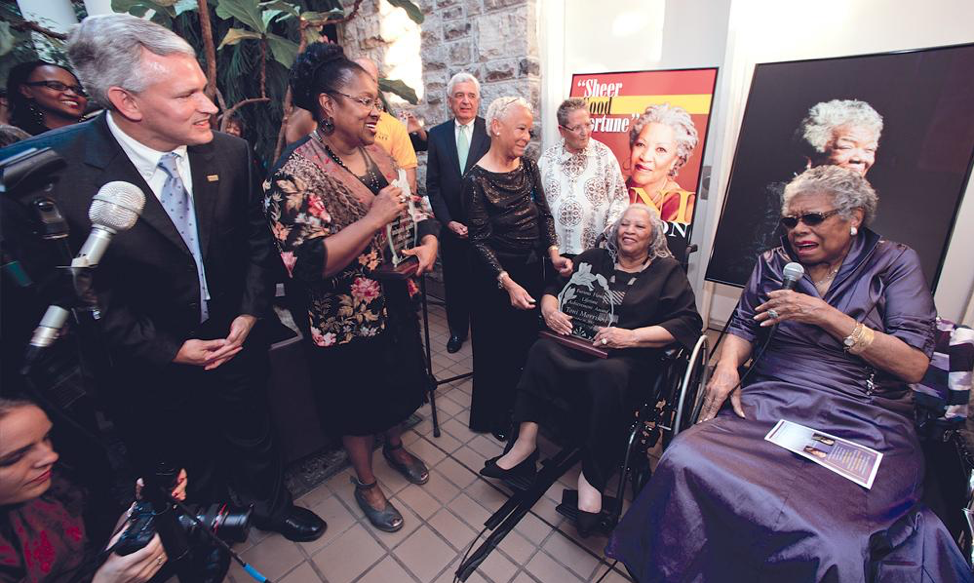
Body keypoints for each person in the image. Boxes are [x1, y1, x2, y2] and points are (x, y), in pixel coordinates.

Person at [0, 14, 324, 543]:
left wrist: (247, 311)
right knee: (182, 453)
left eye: (204, 88)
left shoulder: (231, 152)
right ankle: (210, 531)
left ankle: (270, 505)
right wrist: (169, 349)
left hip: (233, 337)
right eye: (186, 95)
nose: (211, 106)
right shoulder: (44, 174)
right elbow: (74, 292)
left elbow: (255, 242)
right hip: (145, 361)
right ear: (126, 101)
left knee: (253, 427)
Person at [606, 166, 971, 582]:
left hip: (865, 414)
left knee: (834, 536)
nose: (798, 229)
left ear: (854, 218)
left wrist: (827, 317)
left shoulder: (894, 263)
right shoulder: (774, 263)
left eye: (812, 218)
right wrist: (726, 368)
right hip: (777, 398)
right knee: (685, 459)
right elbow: (743, 326)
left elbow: (913, 364)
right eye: (790, 220)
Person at [264, 42, 439, 534]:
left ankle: (397, 445)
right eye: (364, 100)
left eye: (375, 100)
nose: (375, 110)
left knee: (396, 384)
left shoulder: (379, 154)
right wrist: (374, 218)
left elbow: (416, 207)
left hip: (393, 301)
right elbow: (307, 263)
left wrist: (426, 245)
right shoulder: (292, 176)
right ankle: (366, 481)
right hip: (339, 316)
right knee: (356, 402)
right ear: (328, 104)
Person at [480, 204, 701, 536]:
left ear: (653, 235)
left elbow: (687, 323)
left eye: (639, 227)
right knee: (541, 351)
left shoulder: (667, 272)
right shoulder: (594, 257)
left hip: (625, 357)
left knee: (608, 376)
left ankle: (592, 477)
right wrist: (550, 311)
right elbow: (554, 289)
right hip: (578, 343)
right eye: (624, 224)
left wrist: (633, 336)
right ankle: (525, 444)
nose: (628, 230)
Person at [461, 95, 572, 440]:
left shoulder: (528, 166)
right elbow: (479, 240)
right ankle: (498, 414)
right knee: (498, 349)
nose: (527, 136)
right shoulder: (475, 180)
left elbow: (544, 214)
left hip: (531, 270)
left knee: (527, 344)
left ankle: (526, 409)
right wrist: (507, 283)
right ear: (496, 127)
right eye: (521, 128)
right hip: (496, 277)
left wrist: (553, 253)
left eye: (530, 129)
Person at [0, 398, 179, 582]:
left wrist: (144, 506)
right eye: (15, 457)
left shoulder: (48, 487)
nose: (50, 456)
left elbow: (95, 546)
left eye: (45, 438)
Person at [426, 72, 491, 353]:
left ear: (478, 100)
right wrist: (448, 221)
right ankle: (457, 331)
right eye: (460, 96)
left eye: (471, 95)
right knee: (455, 284)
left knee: (486, 284)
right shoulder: (437, 135)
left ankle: (485, 332)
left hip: (486, 230)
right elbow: (433, 184)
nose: (466, 101)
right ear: (450, 101)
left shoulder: (491, 132)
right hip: (452, 228)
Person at [538, 98, 628, 256]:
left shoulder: (604, 156)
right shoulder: (547, 159)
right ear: (562, 130)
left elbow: (620, 198)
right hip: (555, 253)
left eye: (587, 124)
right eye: (577, 128)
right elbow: (536, 203)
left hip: (595, 252)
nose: (584, 132)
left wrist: (609, 232)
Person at [351, 58, 419, 193]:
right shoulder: (340, 124)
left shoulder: (394, 126)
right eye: (361, 78)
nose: (366, 85)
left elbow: (409, 183)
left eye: (372, 80)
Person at [626, 103, 699, 224]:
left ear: (676, 160)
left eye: (661, 149)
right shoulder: (612, 187)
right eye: (641, 144)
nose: (645, 156)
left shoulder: (686, 207)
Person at [5, 60, 89, 136]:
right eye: (56, 86)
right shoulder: (27, 142)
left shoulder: (99, 125)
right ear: (26, 91)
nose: (72, 93)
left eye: (77, 90)